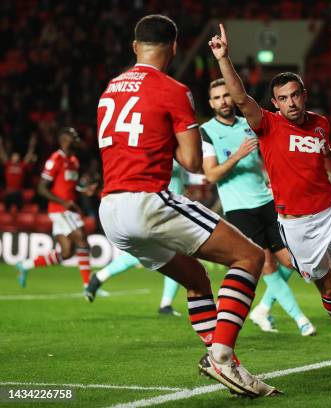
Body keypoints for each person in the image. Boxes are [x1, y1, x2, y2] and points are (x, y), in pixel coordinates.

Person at [96, 15, 277, 397]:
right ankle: (222, 356)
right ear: (175, 47)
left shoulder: (109, 90)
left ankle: (228, 364)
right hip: (147, 200)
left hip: (109, 210)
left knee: (196, 281)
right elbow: (193, 163)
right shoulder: (173, 89)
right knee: (249, 257)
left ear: (134, 47)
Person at [209, 23, 331, 357]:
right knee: (328, 287)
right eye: (283, 98)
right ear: (274, 103)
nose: (291, 103)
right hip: (297, 225)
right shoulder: (267, 124)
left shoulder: (320, 123)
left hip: (330, 212)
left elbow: (327, 155)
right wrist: (223, 59)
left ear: (305, 94)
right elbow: (241, 97)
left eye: (295, 95)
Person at [202, 78, 315, 336]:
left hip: (266, 201)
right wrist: (238, 155)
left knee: (294, 261)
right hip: (239, 209)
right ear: (211, 103)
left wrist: (272, 178)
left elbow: (268, 157)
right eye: (217, 97)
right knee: (267, 265)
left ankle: (263, 308)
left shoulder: (248, 125)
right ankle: (301, 320)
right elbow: (211, 174)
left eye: (226, 96)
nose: (223, 101)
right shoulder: (206, 131)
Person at [85, 160, 188, 317]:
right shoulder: (165, 154)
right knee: (174, 256)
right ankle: (165, 304)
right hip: (159, 209)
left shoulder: (174, 155)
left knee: (162, 255)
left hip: (169, 210)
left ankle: (99, 277)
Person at [16, 128, 98, 291]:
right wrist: (63, 202)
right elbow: (41, 188)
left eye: (76, 135)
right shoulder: (55, 159)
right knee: (82, 240)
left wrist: (84, 190)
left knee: (67, 252)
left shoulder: (74, 160)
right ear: (63, 139)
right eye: (72, 135)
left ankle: (25, 265)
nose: (76, 138)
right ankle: (88, 286)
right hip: (61, 209)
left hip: (69, 208)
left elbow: (71, 186)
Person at [0, 136, 37, 212]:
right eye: (14, 156)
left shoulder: (22, 165)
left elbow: (28, 156)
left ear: (19, 158)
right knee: (6, 212)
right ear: (12, 157)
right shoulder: (8, 164)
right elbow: (2, 154)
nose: (16, 157)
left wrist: (32, 145)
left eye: (17, 156)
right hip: (8, 192)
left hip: (18, 193)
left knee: (20, 211)